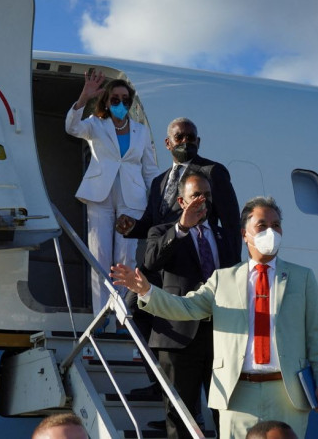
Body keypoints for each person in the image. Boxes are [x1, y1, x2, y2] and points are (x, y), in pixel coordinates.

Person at [111, 196, 318, 439]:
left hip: (286, 393)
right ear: (244, 234)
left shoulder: (303, 278)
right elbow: (185, 308)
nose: (271, 231)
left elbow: (316, 335)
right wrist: (146, 291)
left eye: (276, 225)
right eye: (262, 225)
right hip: (237, 393)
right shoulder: (222, 279)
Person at [144, 170, 241, 438]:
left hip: (221, 338)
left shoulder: (224, 237)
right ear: (182, 200)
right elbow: (151, 262)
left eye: (207, 196)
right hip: (177, 338)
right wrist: (183, 228)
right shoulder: (162, 231)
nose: (203, 200)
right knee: (181, 417)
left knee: (227, 414)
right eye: (196, 195)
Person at [65, 70, 159, 319]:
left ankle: (120, 311)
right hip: (100, 194)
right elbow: (71, 127)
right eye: (115, 98)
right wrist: (83, 99)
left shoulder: (141, 131)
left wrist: (157, 199)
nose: (120, 103)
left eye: (125, 99)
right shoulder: (96, 125)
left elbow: (149, 169)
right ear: (106, 101)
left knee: (126, 255)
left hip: (133, 196)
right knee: (100, 254)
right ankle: (101, 314)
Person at [115, 117, 241, 254]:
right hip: (161, 263)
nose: (185, 141)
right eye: (179, 137)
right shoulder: (158, 182)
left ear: (198, 142)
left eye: (190, 137)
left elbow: (231, 224)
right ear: (168, 143)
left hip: (196, 262)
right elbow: (152, 223)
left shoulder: (212, 171)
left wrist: (234, 267)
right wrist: (131, 226)